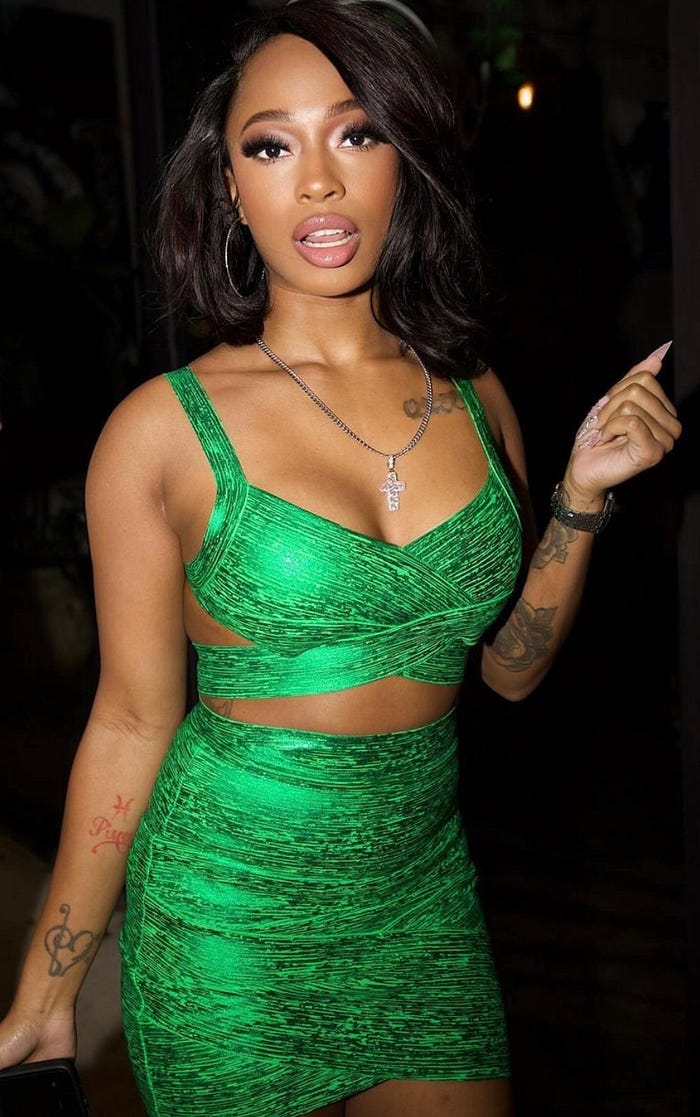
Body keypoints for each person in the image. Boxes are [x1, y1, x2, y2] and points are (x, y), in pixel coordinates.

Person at [0, 2, 681, 1115]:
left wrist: (579, 499)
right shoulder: (161, 431)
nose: (317, 180)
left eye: (355, 134)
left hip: (424, 907)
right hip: (230, 922)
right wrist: (47, 986)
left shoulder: (479, 397)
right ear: (230, 187)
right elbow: (128, 719)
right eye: (271, 147)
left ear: (403, 157)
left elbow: (508, 671)